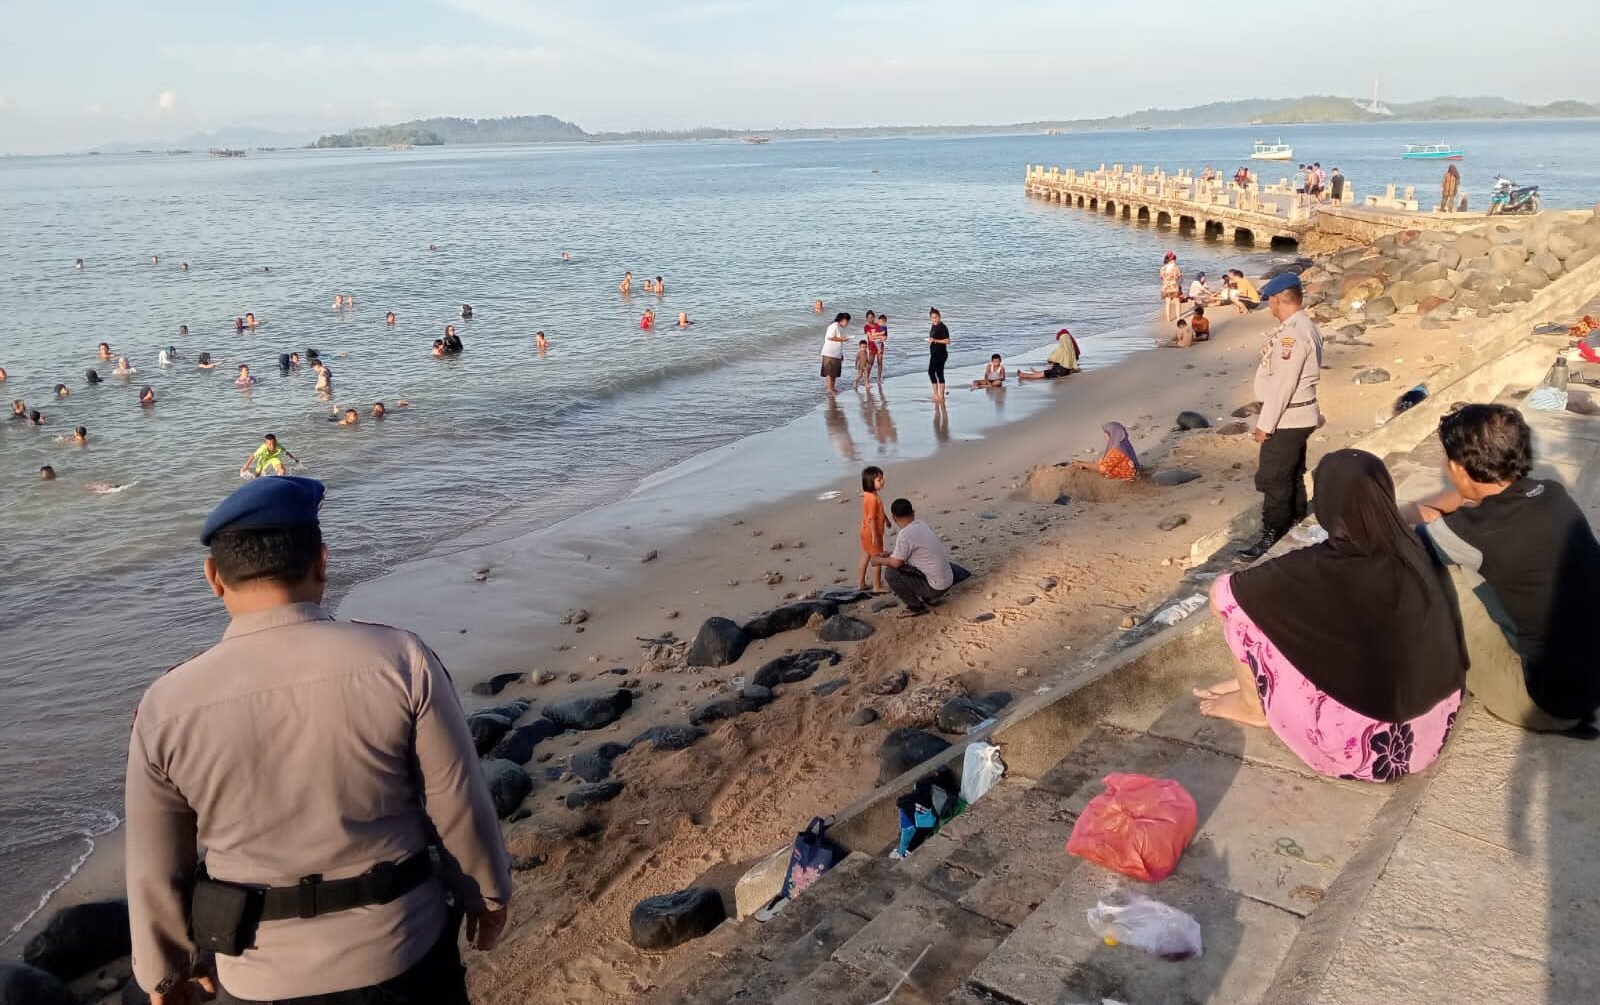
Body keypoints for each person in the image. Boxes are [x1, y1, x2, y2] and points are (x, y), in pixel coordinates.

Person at [124, 476, 513, 1005]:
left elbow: (155, 863)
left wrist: (166, 973)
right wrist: (486, 895)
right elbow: (456, 800)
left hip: (256, 974)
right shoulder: (399, 660)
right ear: (322, 562)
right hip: (401, 949)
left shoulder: (165, 704)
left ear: (214, 577)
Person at [1194, 450, 1466, 780]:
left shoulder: (1316, 566)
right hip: (1430, 727)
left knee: (1244, 617)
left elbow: (1220, 598)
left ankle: (1252, 705)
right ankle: (1251, 684)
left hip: (1363, 752)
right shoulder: (1411, 544)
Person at [1416, 404, 1600, 732]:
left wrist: (1425, 513)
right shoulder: (1553, 493)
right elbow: (1475, 503)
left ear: (1458, 468)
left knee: (1434, 576)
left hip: (1545, 702)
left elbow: (1406, 543)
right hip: (1588, 679)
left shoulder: (1474, 531)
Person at [1238, 273, 1324, 561]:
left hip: (1288, 417)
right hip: (1296, 415)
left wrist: (1265, 425)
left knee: (1273, 478)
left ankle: (1272, 534)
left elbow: (1283, 385)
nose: (1270, 307)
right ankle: (1296, 521)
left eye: (1271, 302)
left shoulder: (1292, 334)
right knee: (1291, 473)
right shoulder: (1302, 326)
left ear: (1277, 299)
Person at [869, 498, 955, 617]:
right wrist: (890, 554)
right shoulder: (921, 524)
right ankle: (929, 598)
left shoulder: (905, 534)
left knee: (891, 573)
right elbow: (911, 552)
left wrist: (877, 560)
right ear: (913, 513)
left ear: (893, 518)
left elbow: (896, 563)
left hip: (936, 588)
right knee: (903, 564)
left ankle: (916, 607)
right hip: (948, 581)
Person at [1068, 422, 1140, 481]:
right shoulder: (1123, 443)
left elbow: (1103, 469)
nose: (1105, 437)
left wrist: (1082, 463)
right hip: (1132, 471)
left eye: (1106, 434)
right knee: (1096, 464)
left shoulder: (1117, 449)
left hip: (1127, 477)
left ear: (1112, 434)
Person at [857, 466, 890, 593]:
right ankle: (877, 586)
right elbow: (871, 519)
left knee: (865, 555)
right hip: (872, 532)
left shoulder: (870, 495)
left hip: (865, 531)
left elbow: (879, 512)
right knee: (876, 559)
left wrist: (886, 520)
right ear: (870, 482)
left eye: (882, 479)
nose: (882, 481)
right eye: (879, 480)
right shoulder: (871, 499)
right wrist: (875, 536)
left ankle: (861, 583)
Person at [820, 312, 851, 395]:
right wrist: (842, 339)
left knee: (834, 373)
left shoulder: (840, 327)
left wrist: (841, 354)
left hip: (836, 353)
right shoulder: (834, 326)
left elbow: (838, 341)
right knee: (829, 372)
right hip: (829, 352)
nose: (847, 324)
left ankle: (832, 388)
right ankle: (829, 389)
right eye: (847, 322)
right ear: (843, 320)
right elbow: (830, 337)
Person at [926, 308, 950, 402]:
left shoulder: (942, 327)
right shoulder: (933, 326)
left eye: (936, 317)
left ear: (939, 317)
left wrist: (935, 340)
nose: (934, 319)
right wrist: (930, 340)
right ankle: (936, 394)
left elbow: (948, 341)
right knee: (931, 372)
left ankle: (941, 395)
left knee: (939, 373)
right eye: (932, 318)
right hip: (934, 354)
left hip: (941, 354)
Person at [1160, 252, 1182, 323]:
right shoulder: (1176, 267)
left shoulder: (1163, 268)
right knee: (1177, 302)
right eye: (1174, 258)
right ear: (1172, 259)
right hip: (1174, 286)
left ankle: (1168, 319)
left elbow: (1161, 277)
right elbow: (1178, 276)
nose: (1175, 260)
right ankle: (1178, 318)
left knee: (1168, 302)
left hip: (1166, 287)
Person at [867, 311, 888, 382]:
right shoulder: (867, 327)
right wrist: (878, 336)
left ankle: (879, 378)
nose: (871, 319)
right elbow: (870, 337)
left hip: (880, 345)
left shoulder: (881, 326)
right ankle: (867, 378)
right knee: (870, 363)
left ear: (874, 317)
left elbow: (885, 338)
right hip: (872, 346)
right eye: (869, 318)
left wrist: (876, 336)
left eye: (872, 317)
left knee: (880, 362)